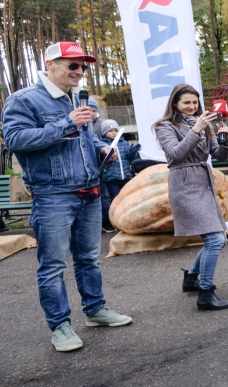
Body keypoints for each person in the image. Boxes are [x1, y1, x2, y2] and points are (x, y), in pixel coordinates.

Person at [1, 42, 133, 352]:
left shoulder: (80, 100)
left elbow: (84, 139)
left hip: (88, 191)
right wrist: (65, 123)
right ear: (51, 64)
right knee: (53, 265)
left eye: (83, 67)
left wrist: (100, 148)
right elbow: (15, 139)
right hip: (53, 196)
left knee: (88, 258)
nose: (79, 72)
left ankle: (95, 310)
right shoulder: (24, 100)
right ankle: (60, 325)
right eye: (72, 65)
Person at [154, 84, 228, 310]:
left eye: (194, 102)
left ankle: (191, 278)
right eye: (186, 103)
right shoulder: (164, 126)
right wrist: (196, 129)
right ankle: (206, 294)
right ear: (175, 104)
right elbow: (176, 154)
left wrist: (224, 140)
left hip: (204, 183)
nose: (192, 106)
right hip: (184, 184)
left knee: (220, 239)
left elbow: (218, 156)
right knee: (215, 240)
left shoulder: (204, 125)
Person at [98, 119, 141, 233]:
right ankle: (117, 222)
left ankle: (130, 220)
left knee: (128, 199)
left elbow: (131, 158)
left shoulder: (124, 143)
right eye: (110, 131)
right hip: (111, 178)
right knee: (115, 201)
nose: (114, 133)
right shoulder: (103, 146)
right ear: (104, 132)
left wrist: (133, 152)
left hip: (126, 176)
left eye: (116, 130)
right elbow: (101, 161)